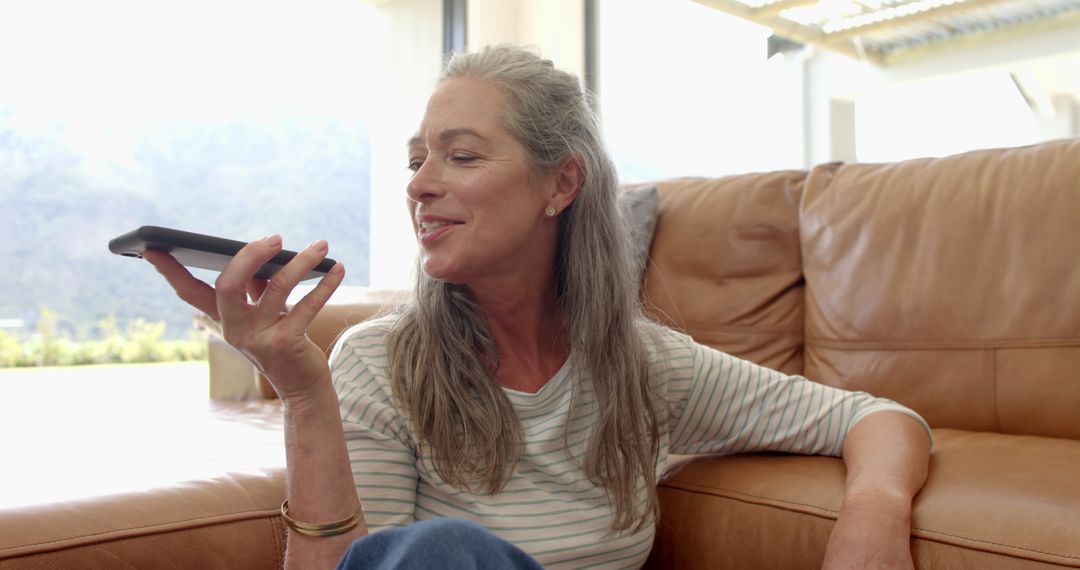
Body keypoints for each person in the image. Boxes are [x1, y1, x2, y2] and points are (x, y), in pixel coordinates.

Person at [145, 45, 932, 569]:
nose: (419, 183)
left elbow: (876, 418)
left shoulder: (646, 368)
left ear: (561, 184)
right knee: (441, 553)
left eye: (460, 155)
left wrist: (870, 518)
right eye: (417, 160)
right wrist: (304, 396)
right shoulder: (381, 362)